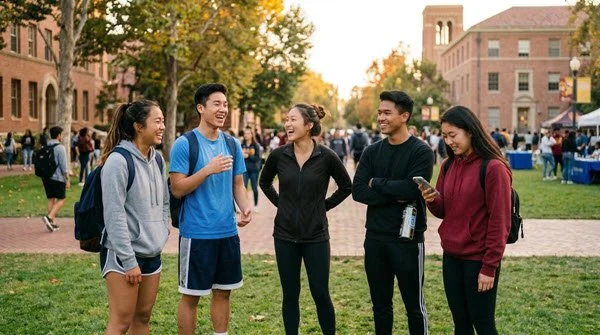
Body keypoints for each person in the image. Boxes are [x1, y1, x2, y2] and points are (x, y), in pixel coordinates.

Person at [259, 103, 352, 335]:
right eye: (286, 119)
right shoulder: (279, 155)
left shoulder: (326, 156)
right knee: (290, 294)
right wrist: (283, 205)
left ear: (309, 125)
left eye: (293, 120)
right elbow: (264, 182)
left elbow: (346, 186)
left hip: (316, 236)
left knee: (320, 292)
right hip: (284, 235)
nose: (287, 124)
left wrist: (323, 207)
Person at [420, 105, 512, 335]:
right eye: (445, 136)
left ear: (470, 131)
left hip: (479, 260)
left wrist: (489, 267)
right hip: (451, 257)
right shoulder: (448, 165)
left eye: (453, 135)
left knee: (483, 325)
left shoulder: (493, 168)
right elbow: (443, 211)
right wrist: (431, 199)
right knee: (460, 324)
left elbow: (499, 222)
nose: (449, 142)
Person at [169, 83, 252, 335]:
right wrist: (207, 170)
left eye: (225, 105)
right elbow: (177, 188)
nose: (223, 109)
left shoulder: (231, 143)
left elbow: (238, 184)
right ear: (201, 108)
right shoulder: (185, 144)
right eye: (217, 104)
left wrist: (245, 207)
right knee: (191, 296)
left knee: (223, 293)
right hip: (197, 234)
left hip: (227, 232)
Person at [352, 90, 433, 335]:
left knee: (414, 307)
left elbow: (412, 189)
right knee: (380, 306)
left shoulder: (421, 152)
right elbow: (357, 191)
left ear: (404, 116)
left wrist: (376, 183)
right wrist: (396, 192)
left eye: (387, 113)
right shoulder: (371, 151)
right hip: (375, 238)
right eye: (380, 113)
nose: (381, 118)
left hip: (407, 240)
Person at [99, 100, 169, 335]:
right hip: (123, 257)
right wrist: (129, 261)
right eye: (157, 121)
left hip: (152, 252)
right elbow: (114, 215)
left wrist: (162, 230)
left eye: (163, 121)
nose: (163, 127)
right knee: (121, 323)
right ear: (139, 127)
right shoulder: (118, 162)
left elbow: (164, 201)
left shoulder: (158, 159)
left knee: (142, 319)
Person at [41, 126, 70, 232]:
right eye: (62, 134)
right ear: (58, 136)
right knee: (61, 199)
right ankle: (49, 218)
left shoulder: (46, 145)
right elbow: (64, 166)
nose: (62, 136)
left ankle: (52, 223)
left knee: (51, 199)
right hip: (57, 178)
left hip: (46, 178)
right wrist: (67, 179)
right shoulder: (60, 148)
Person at [241, 126, 262, 212]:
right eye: (245, 134)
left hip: (254, 170)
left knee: (254, 188)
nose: (246, 135)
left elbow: (258, 158)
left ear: (251, 135)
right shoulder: (242, 145)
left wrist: (248, 155)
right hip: (244, 169)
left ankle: (256, 205)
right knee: (244, 187)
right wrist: (242, 156)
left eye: (248, 133)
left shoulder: (256, 145)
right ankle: (245, 206)